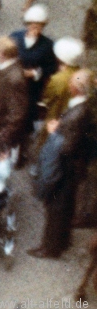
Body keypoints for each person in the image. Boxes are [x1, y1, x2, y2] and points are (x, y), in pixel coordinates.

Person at [30, 71, 93, 259]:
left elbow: (66, 148)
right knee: (64, 207)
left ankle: (50, 247)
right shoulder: (82, 108)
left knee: (56, 208)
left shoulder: (77, 114)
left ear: (74, 88)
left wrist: (54, 132)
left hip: (66, 168)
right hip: (72, 167)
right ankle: (62, 240)